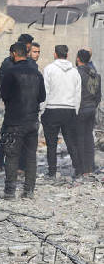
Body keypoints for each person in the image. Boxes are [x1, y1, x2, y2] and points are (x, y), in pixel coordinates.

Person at [0, 42, 46, 200]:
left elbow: (4, 95)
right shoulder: (37, 73)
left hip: (14, 121)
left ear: (14, 54)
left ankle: (9, 192)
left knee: (12, 156)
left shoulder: (10, 73)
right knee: (30, 156)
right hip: (32, 121)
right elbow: (42, 97)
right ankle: (29, 191)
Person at [41, 45, 81, 178]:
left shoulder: (49, 69)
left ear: (55, 54)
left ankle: (52, 171)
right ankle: (78, 169)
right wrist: (75, 110)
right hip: (69, 110)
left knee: (51, 144)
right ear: (67, 55)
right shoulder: (75, 72)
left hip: (52, 109)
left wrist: (42, 110)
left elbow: (45, 92)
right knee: (71, 142)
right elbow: (78, 94)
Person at [76, 49, 101, 176]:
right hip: (91, 109)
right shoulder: (96, 74)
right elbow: (98, 96)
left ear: (78, 59)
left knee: (80, 138)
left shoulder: (77, 73)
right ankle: (90, 167)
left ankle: (81, 168)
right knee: (89, 138)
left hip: (81, 109)